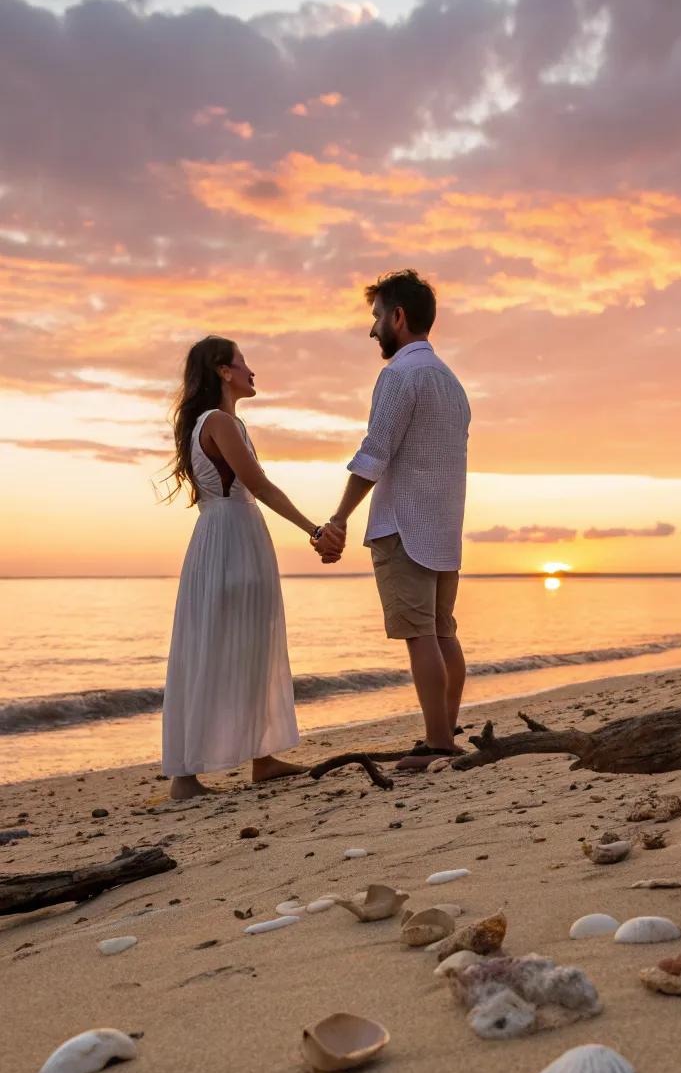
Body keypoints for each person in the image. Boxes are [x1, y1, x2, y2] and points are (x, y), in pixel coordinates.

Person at [315, 270, 471, 771]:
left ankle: (437, 744)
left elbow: (374, 452)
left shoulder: (400, 375)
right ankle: (444, 737)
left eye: (377, 316)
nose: (372, 328)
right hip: (444, 529)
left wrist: (338, 517)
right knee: (443, 631)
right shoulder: (450, 382)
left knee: (420, 635)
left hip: (404, 525)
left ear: (398, 317)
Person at [161, 336, 322, 799]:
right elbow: (259, 484)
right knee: (215, 648)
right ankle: (185, 776)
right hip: (230, 539)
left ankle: (263, 757)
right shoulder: (217, 422)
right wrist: (314, 529)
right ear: (223, 371)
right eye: (243, 362)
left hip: (234, 536)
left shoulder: (230, 423)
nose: (252, 370)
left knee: (253, 644)